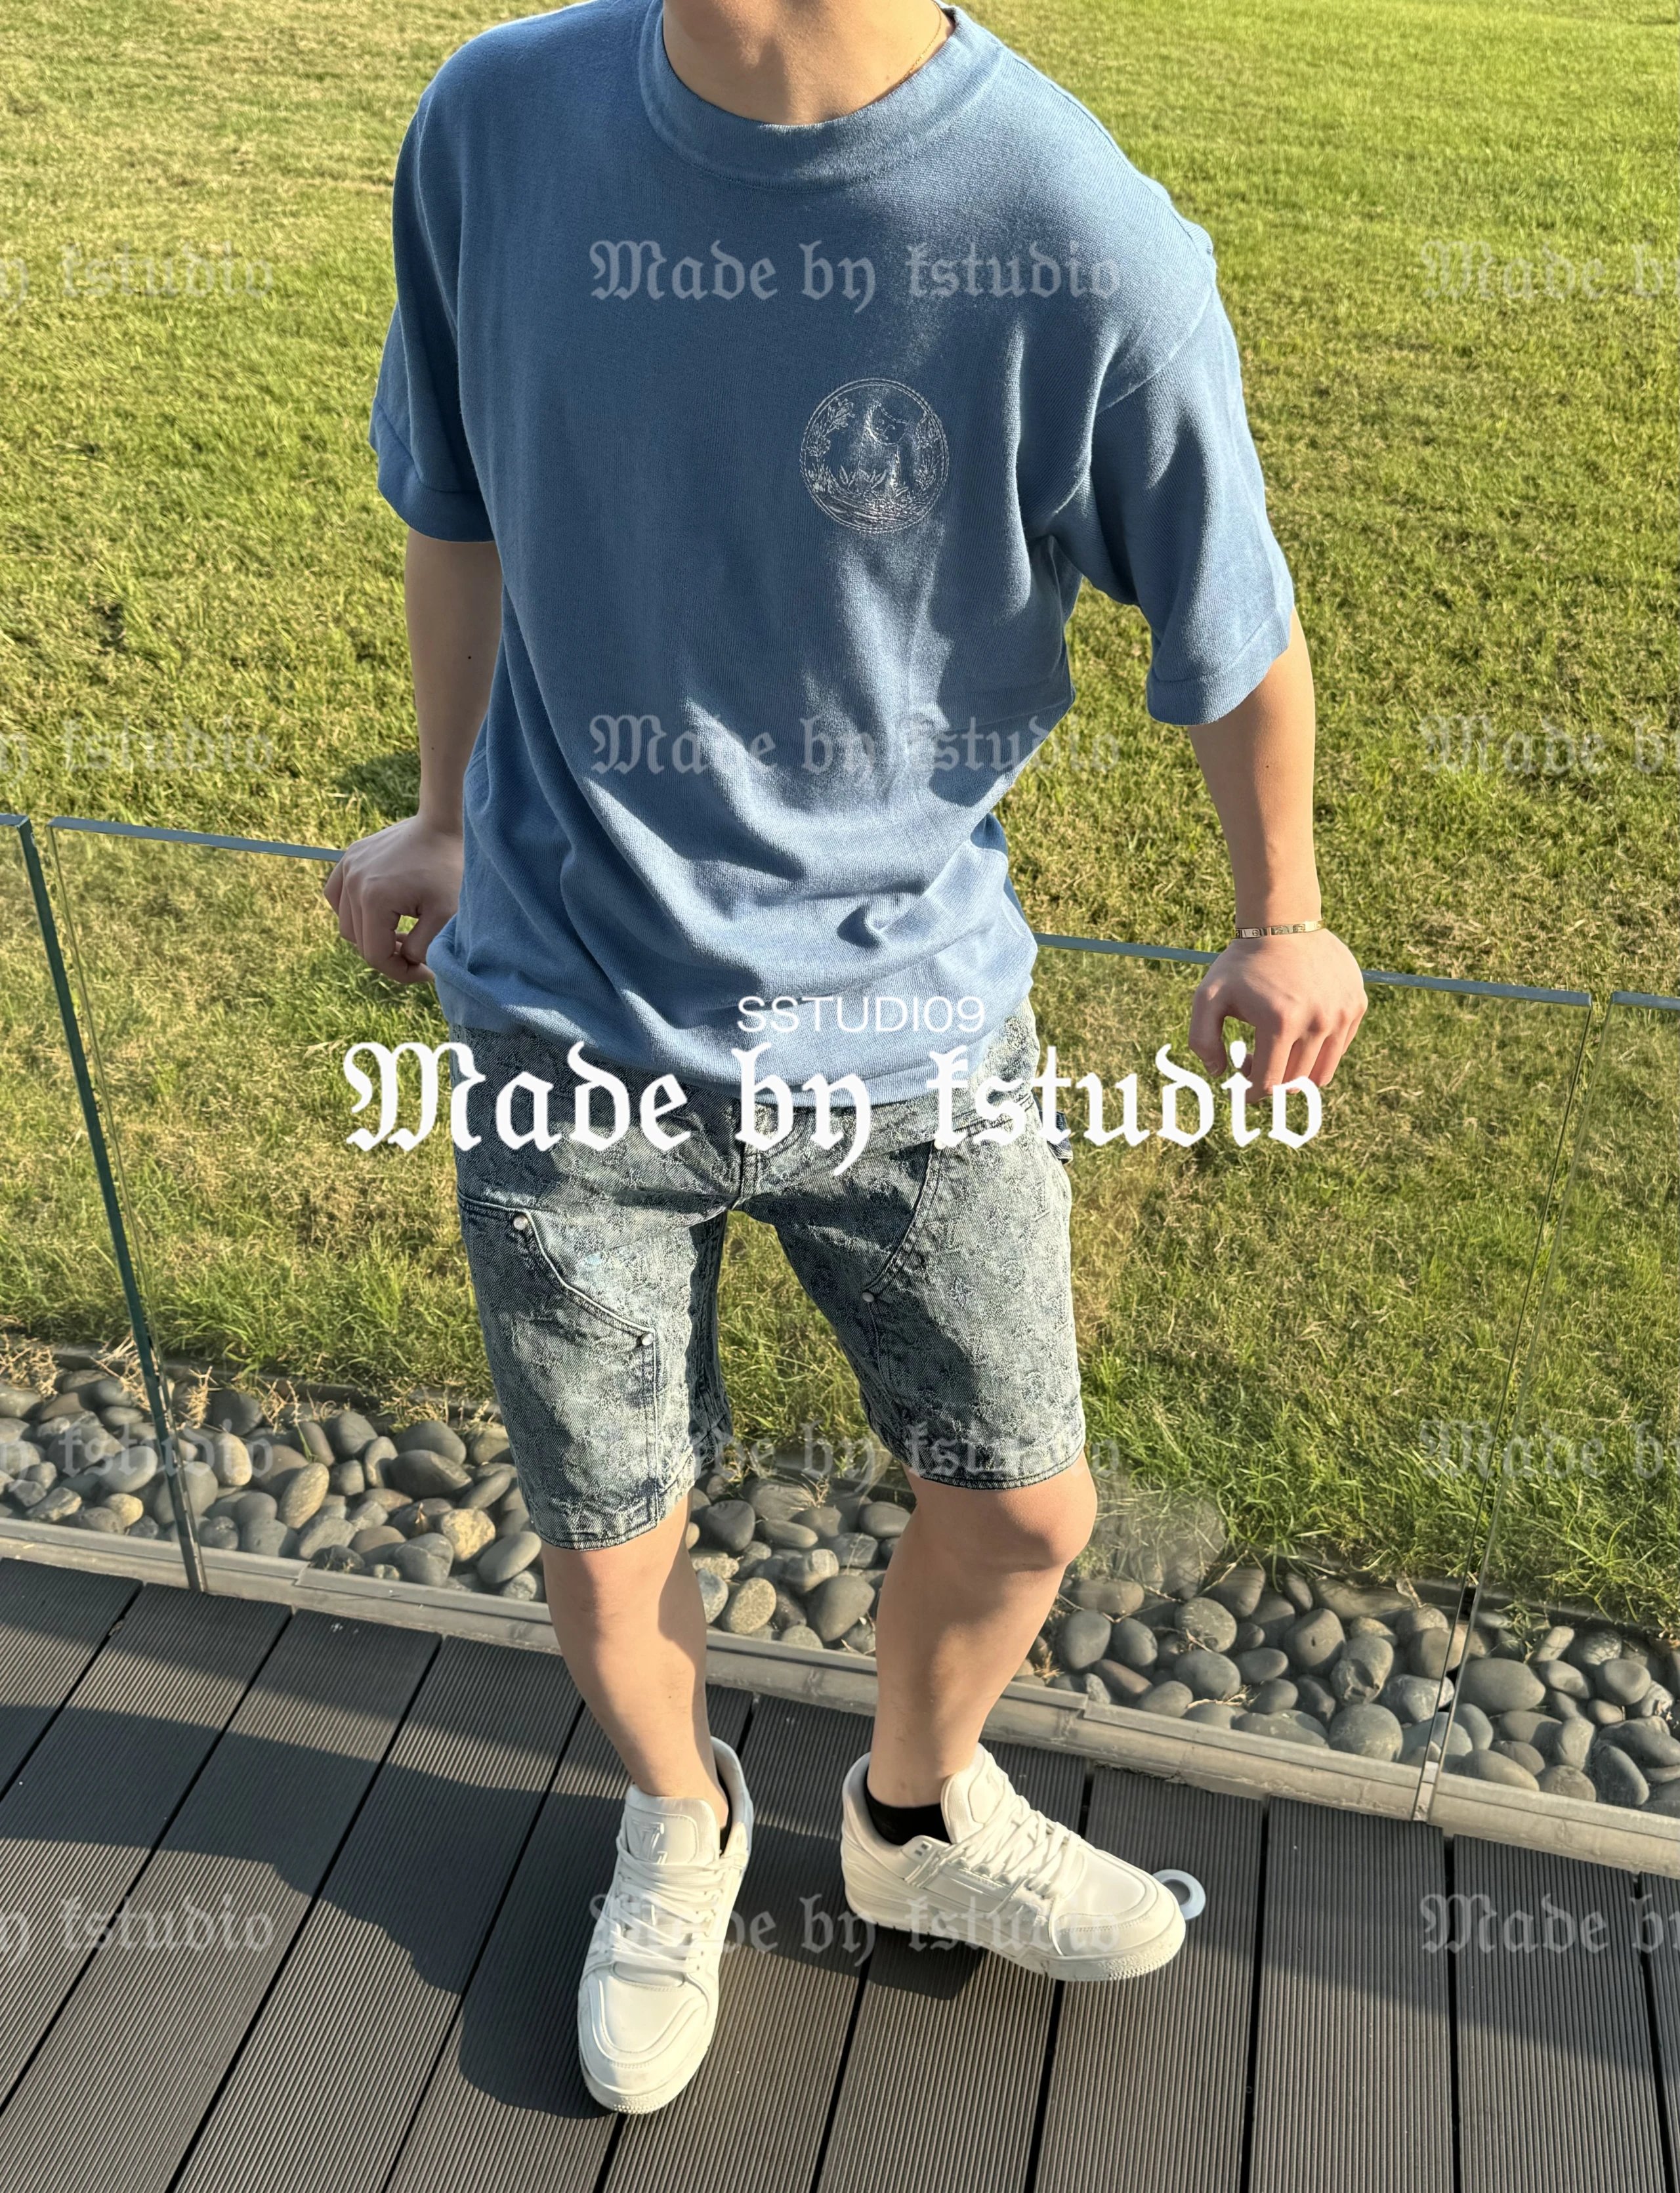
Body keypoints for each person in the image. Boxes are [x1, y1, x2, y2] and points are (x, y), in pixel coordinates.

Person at [326, 0, 1367, 2116]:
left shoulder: (1080, 235)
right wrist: (444, 811)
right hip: (565, 1027)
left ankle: (914, 1814)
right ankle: (682, 1816)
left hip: (918, 1038)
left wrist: (1283, 912)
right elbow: (460, 504)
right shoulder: (493, 123)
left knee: (1029, 1505)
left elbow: (1235, 631)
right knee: (606, 1530)